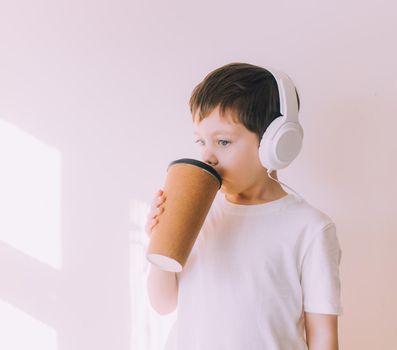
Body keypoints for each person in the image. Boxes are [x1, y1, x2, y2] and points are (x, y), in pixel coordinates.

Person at [145, 62, 343, 350]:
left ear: (274, 144)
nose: (207, 155)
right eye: (201, 141)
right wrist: (160, 243)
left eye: (223, 141)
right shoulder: (197, 212)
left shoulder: (310, 228)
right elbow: (163, 303)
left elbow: (323, 335)